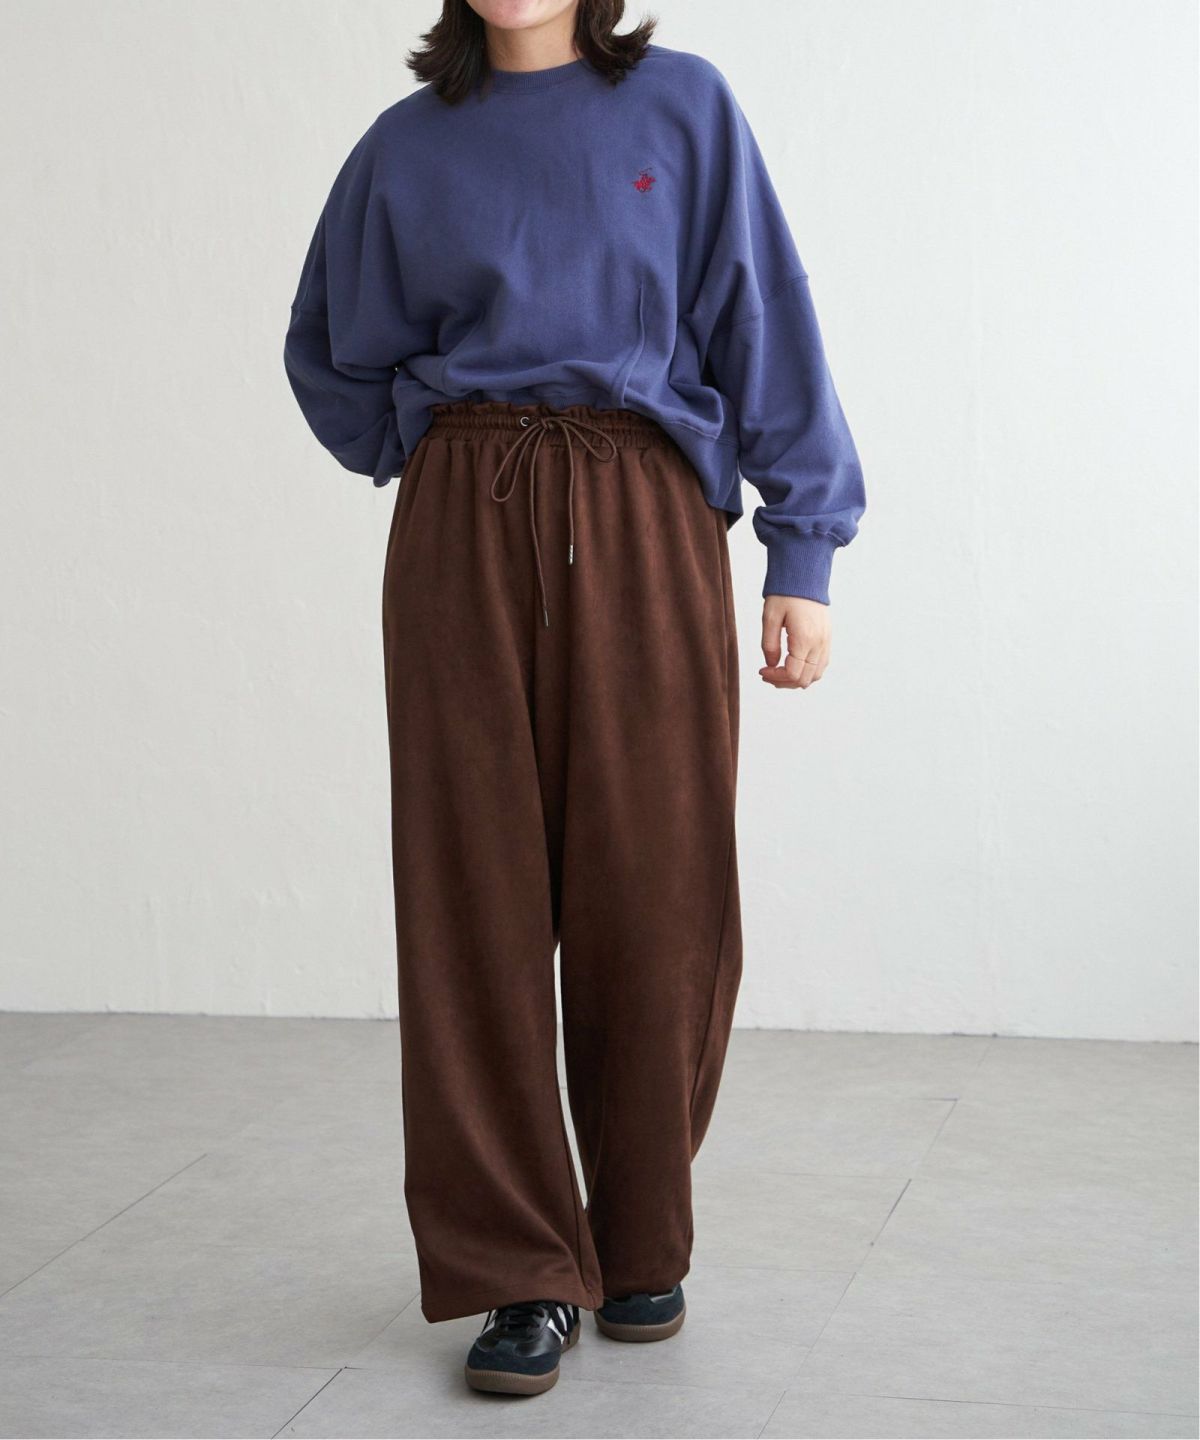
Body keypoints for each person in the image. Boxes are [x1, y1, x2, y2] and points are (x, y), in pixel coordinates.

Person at [284, 0, 865, 1399]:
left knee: (659, 886)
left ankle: (639, 1231)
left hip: (643, 510)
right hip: (464, 524)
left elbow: (764, 317)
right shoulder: (405, 148)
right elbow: (327, 350)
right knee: (472, 899)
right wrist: (434, 441)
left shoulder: (685, 108)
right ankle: (519, 1266)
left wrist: (802, 551)